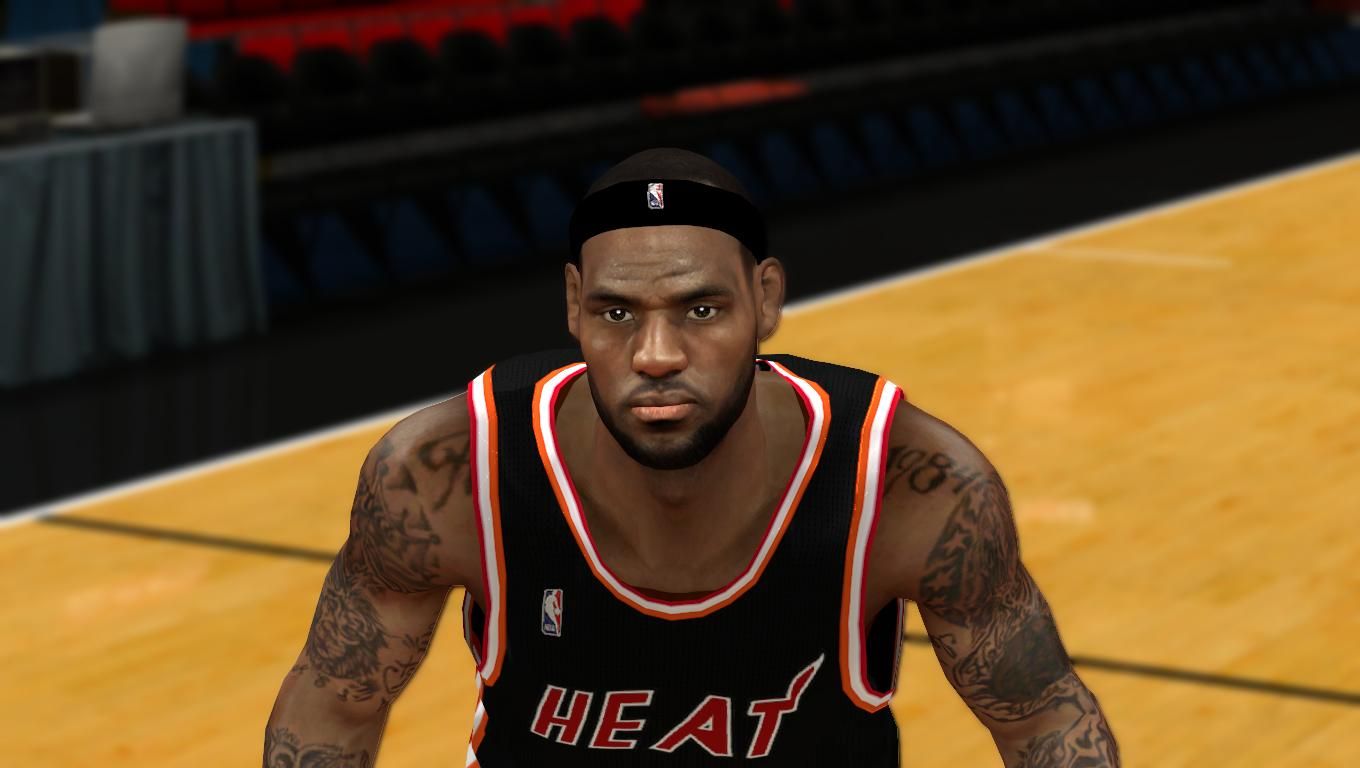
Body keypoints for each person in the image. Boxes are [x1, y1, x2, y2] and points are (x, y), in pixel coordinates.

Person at [263, 148, 1120, 766]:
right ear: (573, 305)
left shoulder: (906, 481)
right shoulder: (449, 472)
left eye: (701, 311)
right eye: (617, 314)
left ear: (766, 299)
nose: (657, 355)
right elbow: (333, 712)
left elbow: (1044, 723)